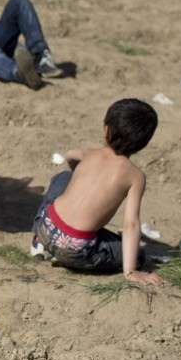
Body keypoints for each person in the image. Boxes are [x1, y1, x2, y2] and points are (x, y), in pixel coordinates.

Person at [30, 99, 161, 286]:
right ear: (142, 144)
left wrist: (78, 177)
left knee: (64, 177)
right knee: (138, 255)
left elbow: (69, 154)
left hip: (45, 227)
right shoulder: (135, 176)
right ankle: (66, 259)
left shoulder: (89, 154)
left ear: (106, 130)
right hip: (76, 250)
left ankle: (38, 242)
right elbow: (131, 224)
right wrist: (131, 271)